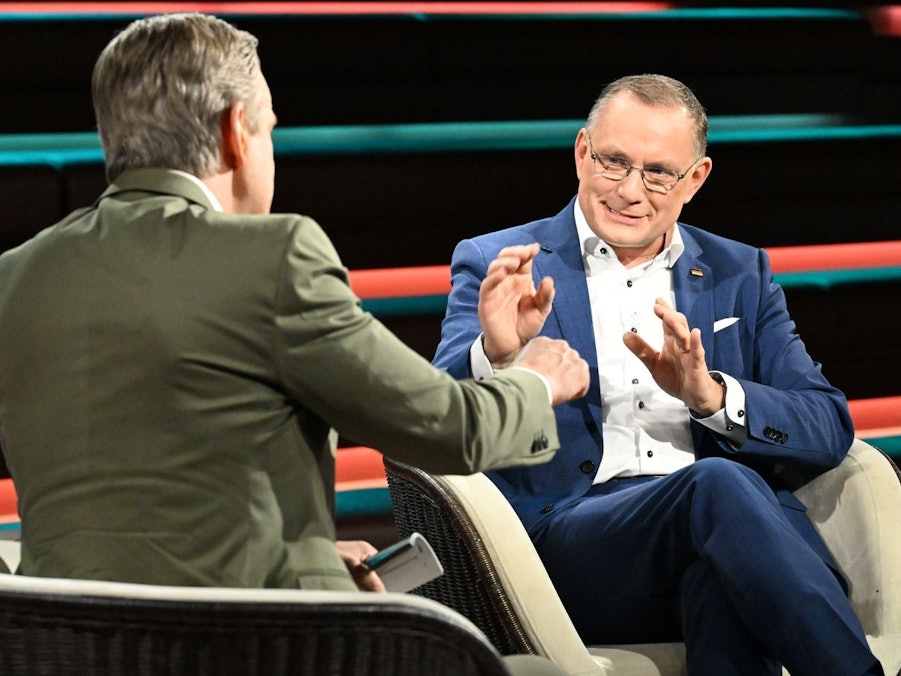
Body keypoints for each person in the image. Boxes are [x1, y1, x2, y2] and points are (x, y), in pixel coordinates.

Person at [0, 14, 588, 671]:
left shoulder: (14, 277)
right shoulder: (272, 255)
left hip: (64, 652)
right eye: (270, 128)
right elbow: (451, 431)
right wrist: (536, 376)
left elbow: (149, 509)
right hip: (258, 648)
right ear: (235, 131)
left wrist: (306, 558)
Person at [433, 74, 884, 675]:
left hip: (736, 543)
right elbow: (433, 422)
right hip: (573, 547)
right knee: (716, 483)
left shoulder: (738, 272)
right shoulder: (502, 261)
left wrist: (713, 397)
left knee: (720, 580)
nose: (629, 191)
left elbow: (827, 424)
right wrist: (497, 352)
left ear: (695, 179)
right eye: (614, 162)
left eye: (658, 173)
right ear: (582, 152)